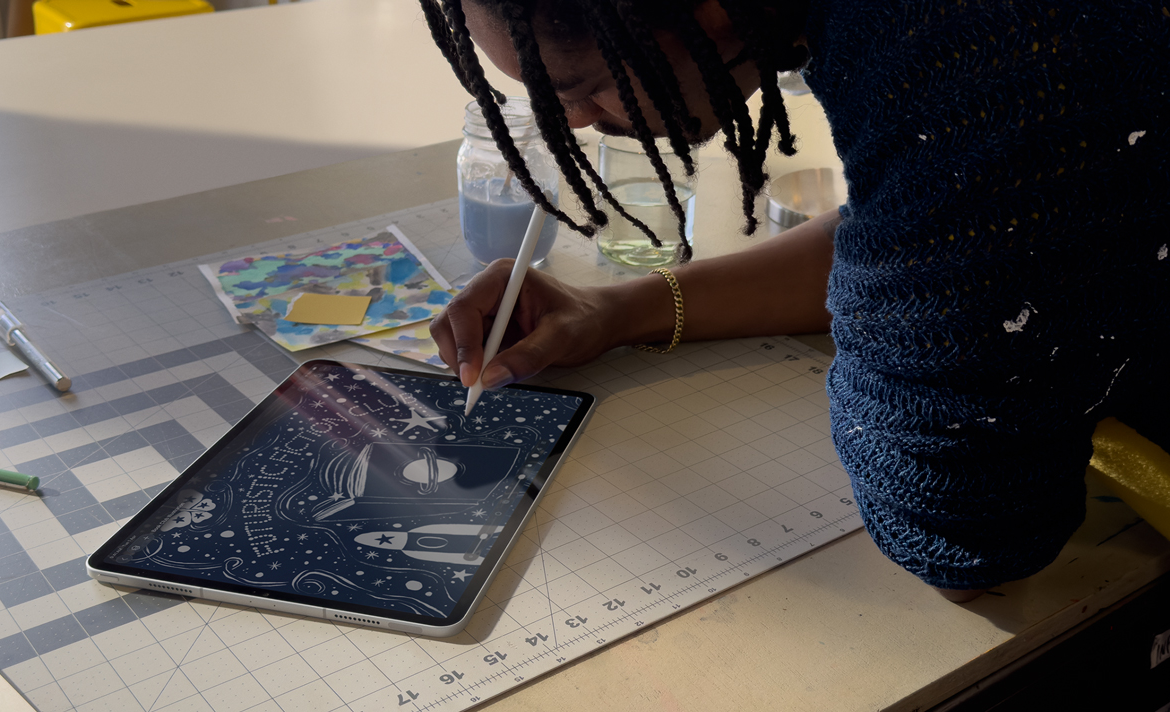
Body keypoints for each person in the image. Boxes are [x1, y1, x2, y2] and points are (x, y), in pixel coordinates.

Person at [420, 0, 1170, 601]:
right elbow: (931, 224)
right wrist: (620, 310)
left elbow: (960, 531)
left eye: (581, 85)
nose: (575, 121)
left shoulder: (981, 45)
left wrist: (909, 313)